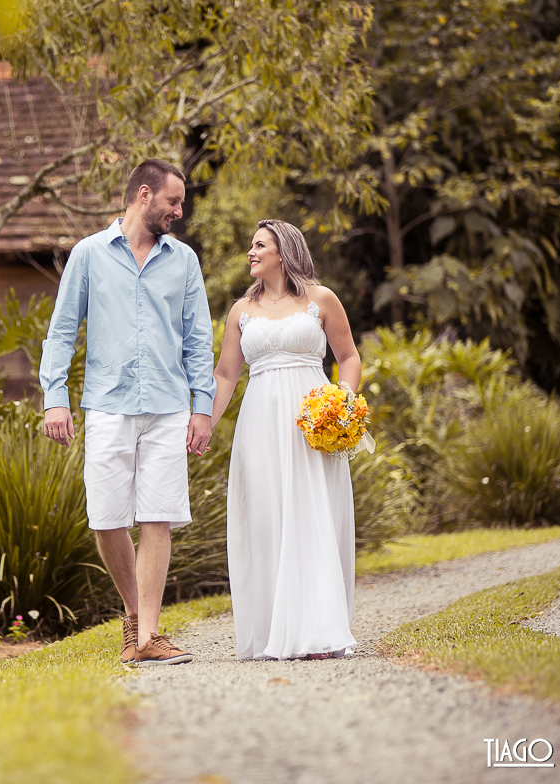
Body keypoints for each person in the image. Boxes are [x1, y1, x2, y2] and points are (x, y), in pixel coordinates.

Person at [39, 158, 215, 666]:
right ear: (144, 194)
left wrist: (200, 409)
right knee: (106, 517)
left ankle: (147, 636)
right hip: (108, 404)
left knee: (157, 517)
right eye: (173, 202)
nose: (179, 212)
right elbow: (62, 329)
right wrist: (55, 397)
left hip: (167, 405)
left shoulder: (184, 262)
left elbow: (199, 340)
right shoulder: (89, 255)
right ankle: (135, 617)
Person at [209, 220, 360, 660]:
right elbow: (224, 376)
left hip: (312, 420)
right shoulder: (241, 311)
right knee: (266, 517)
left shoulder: (321, 299)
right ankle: (275, 630)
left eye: (259, 245)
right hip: (259, 422)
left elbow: (348, 357)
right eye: (251, 245)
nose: (250, 252)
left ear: (284, 251)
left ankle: (318, 631)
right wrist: (204, 424)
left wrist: (341, 404)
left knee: (312, 515)